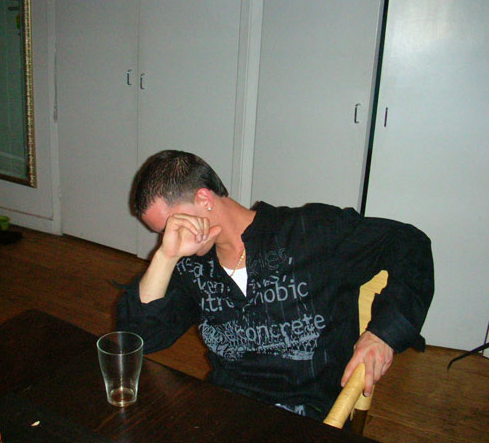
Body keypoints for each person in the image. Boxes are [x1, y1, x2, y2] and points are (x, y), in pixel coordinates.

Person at [117, 150, 434, 421]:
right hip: (225, 412)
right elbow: (137, 340)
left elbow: (409, 244)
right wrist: (166, 257)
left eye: (171, 226)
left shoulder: (310, 232)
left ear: (204, 198)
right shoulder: (191, 266)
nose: (169, 237)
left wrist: (383, 334)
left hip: (306, 417)